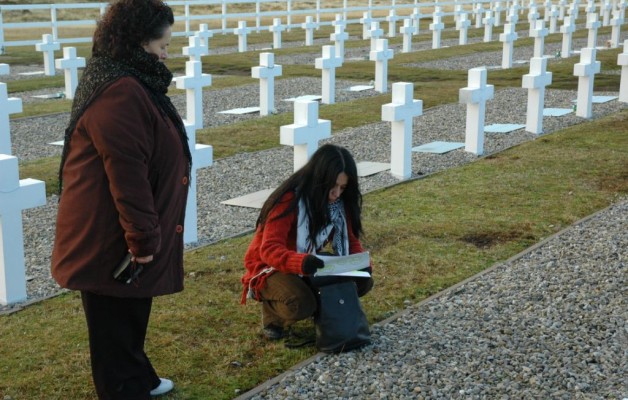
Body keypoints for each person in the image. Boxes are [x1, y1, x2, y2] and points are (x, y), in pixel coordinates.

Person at [51, 0, 191, 398]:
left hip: (117, 228)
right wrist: (143, 238)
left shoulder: (127, 79)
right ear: (139, 40)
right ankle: (122, 388)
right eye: (162, 44)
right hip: (107, 231)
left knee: (130, 307)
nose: (166, 53)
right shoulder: (120, 91)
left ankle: (137, 375)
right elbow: (126, 173)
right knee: (113, 314)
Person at [241, 144, 374, 340]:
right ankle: (272, 314)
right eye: (333, 186)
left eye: (343, 187)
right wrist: (301, 262)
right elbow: (268, 250)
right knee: (301, 304)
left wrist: (361, 264)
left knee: (363, 282)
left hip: (306, 262)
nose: (337, 194)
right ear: (319, 179)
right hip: (269, 266)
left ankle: (324, 311)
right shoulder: (288, 200)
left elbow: (350, 240)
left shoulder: (337, 204)